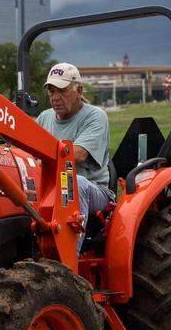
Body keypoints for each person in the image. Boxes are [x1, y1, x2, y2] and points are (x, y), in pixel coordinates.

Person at [36, 63, 114, 250]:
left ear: (78, 90)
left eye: (62, 91)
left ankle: (69, 260)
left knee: (73, 182)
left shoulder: (95, 116)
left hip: (94, 189)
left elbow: (77, 154)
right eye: (51, 91)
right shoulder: (44, 117)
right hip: (49, 188)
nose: (55, 98)